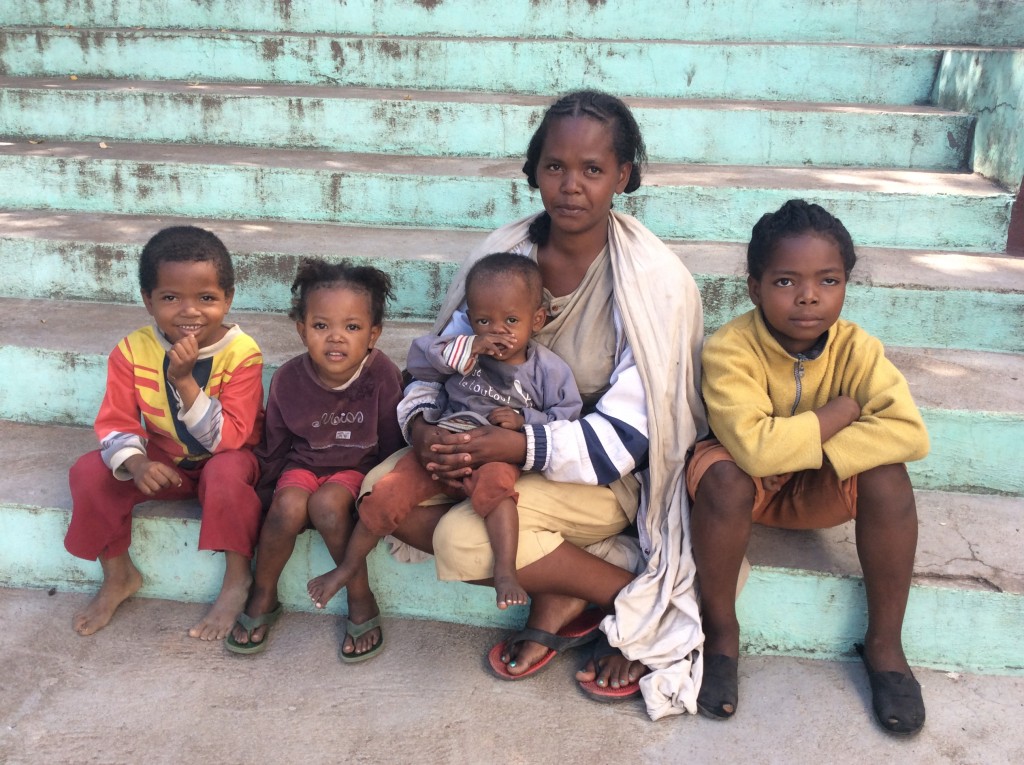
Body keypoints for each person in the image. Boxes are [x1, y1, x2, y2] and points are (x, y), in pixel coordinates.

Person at [357, 90, 708, 718]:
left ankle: (632, 600)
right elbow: (438, 365)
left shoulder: (654, 282)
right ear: (534, 171)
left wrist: (518, 445)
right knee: (377, 497)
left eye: (593, 170)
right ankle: (564, 586)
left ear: (623, 176)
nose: (571, 186)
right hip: (487, 447)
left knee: (465, 544)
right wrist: (421, 430)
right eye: (555, 167)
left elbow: (629, 439)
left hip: (597, 470)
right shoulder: (503, 257)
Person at [687, 199, 929, 734]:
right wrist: (838, 413)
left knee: (888, 476)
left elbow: (910, 432)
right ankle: (721, 634)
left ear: (846, 284)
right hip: (742, 489)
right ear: (754, 287)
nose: (809, 297)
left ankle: (885, 646)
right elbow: (752, 451)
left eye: (828, 280)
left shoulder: (858, 350)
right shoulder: (730, 348)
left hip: (813, 487)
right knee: (725, 476)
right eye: (785, 282)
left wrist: (807, 452)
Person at [306, 253, 583, 612]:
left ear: (537, 320)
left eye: (512, 320)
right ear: (469, 320)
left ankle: (504, 571)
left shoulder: (548, 370)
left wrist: (524, 419)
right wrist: (465, 347)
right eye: (485, 320)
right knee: (385, 494)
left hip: (497, 453)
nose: (498, 330)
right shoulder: (462, 350)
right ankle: (347, 567)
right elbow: (420, 362)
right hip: (443, 442)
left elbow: (567, 418)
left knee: (499, 495)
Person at [65, 225, 265, 640]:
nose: (189, 312)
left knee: (226, 472)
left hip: (226, 461)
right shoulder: (131, 351)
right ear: (148, 301)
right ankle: (119, 573)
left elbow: (232, 437)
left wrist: (185, 381)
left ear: (228, 299)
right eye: (171, 298)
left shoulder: (242, 353)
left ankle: (236, 580)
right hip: (164, 463)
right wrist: (136, 462)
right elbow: (116, 420)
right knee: (89, 471)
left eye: (206, 298)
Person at [226, 259, 404, 660]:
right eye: (322, 326)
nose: (336, 338)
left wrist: (383, 497)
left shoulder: (382, 376)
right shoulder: (289, 378)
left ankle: (361, 597)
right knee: (287, 506)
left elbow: (393, 445)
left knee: (326, 505)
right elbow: (275, 444)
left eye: (352, 327)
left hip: (356, 469)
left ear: (373, 333)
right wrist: (267, 489)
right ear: (302, 329)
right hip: (303, 466)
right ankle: (263, 593)